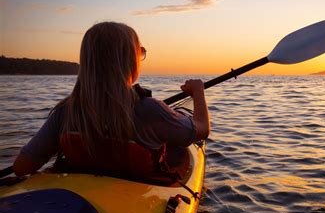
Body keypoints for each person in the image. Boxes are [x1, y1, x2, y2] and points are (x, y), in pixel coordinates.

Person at [13, 22, 210, 179]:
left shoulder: (66, 112)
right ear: (129, 61)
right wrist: (198, 91)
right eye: (139, 52)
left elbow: (22, 167)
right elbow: (201, 129)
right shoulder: (150, 110)